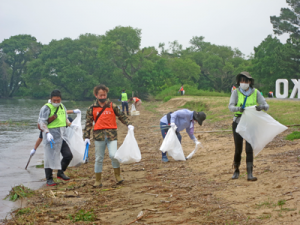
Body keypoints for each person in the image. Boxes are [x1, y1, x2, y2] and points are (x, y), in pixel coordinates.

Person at [84, 84, 133, 187]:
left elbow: (121, 116)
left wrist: (129, 124)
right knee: (98, 158)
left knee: (113, 155)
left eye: (104, 95)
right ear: (96, 95)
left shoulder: (112, 106)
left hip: (112, 135)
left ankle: (118, 175)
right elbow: (88, 123)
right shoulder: (91, 108)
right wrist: (86, 137)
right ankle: (98, 180)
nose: (103, 97)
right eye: (101, 95)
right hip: (98, 136)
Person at [228, 71, 269, 181]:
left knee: (249, 149)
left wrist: (261, 107)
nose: (243, 83)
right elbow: (230, 106)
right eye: (241, 81)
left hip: (251, 123)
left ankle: (250, 173)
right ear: (239, 82)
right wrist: (238, 109)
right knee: (238, 148)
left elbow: (266, 105)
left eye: (246, 81)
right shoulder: (236, 92)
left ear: (250, 82)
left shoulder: (256, 92)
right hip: (238, 122)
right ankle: (236, 170)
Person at [38, 90, 77, 186]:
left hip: (61, 135)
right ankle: (49, 179)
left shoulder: (62, 106)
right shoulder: (46, 108)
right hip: (51, 136)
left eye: (58, 100)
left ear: (61, 99)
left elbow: (65, 118)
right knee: (49, 157)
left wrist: (71, 125)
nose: (56, 102)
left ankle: (60, 172)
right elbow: (42, 123)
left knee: (68, 155)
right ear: (51, 99)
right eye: (54, 100)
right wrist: (47, 133)